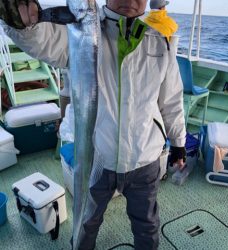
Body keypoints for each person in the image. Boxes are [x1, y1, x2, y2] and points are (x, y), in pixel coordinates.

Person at [0, 0, 186, 249]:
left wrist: (179, 143)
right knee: (86, 221)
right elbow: (44, 41)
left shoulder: (160, 41)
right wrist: (21, 25)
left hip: (145, 159)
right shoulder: (80, 30)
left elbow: (171, 98)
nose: (130, 1)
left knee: (147, 224)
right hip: (98, 157)